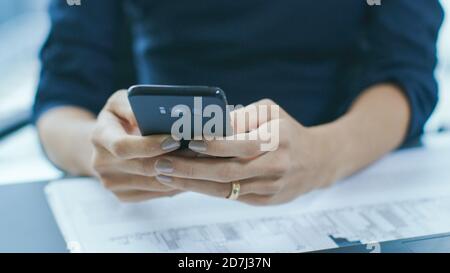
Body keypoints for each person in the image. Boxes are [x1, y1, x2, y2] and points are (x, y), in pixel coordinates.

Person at [34, 0, 444, 205]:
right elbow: (61, 101)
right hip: (166, 195)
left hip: (349, 180)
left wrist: (325, 157)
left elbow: (405, 75)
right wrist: (100, 151)